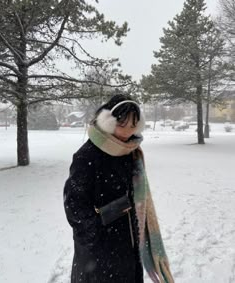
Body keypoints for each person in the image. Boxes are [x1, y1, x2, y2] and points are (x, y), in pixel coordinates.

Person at [63, 94, 174, 283]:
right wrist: (100, 227)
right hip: (99, 254)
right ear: (108, 121)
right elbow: (74, 206)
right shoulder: (87, 156)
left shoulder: (130, 152)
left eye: (133, 125)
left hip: (130, 244)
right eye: (122, 123)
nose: (127, 130)